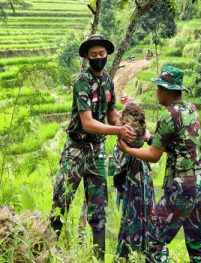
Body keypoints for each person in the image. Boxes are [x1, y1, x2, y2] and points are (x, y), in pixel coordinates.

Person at [49, 34, 135, 260]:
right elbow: (87, 122)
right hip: (76, 150)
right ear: (87, 56)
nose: (98, 58)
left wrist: (125, 124)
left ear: (107, 55)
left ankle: (99, 258)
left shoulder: (108, 81)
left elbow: (111, 114)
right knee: (61, 204)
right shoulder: (81, 83)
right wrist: (118, 131)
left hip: (97, 152)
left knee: (99, 212)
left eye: (102, 54)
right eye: (94, 54)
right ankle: (43, 254)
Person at [117, 65, 201, 263]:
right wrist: (150, 137)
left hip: (183, 187)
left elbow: (153, 156)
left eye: (159, 88)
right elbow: (180, 145)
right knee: (196, 244)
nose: (157, 92)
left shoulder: (168, 115)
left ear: (167, 91)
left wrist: (128, 150)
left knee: (154, 238)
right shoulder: (190, 109)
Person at [112, 103, 156, 259]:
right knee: (137, 219)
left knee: (137, 218)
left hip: (138, 186)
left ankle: (133, 254)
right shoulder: (125, 154)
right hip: (136, 188)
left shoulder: (122, 152)